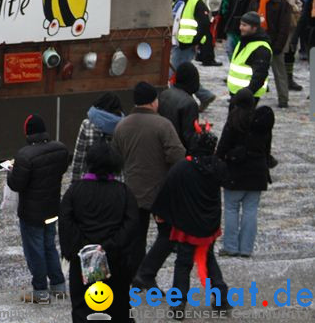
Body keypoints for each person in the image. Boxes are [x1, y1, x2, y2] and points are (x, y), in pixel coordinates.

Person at [112, 82, 185, 287]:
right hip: (160, 192)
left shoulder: (122, 125)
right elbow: (177, 155)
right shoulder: (163, 125)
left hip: (132, 191)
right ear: (154, 101)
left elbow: (115, 158)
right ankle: (147, 273)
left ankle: (137, 275)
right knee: (168, 235)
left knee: (137, 237)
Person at [150, 131, 230, 317]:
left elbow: (167, 191)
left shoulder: (182, 168)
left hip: (187, 225)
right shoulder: (218, 166)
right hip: (209, 224)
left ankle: (178, 305)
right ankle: (221, 298)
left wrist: (159, 212)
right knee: (209, 259)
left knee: (183, 264)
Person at [60, 141, 137, 322]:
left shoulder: (74, 191)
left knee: (83, 309)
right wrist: (110, 247)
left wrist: (82, 248)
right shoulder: (124, 192)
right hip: (115, 262)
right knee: (118, 307)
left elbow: (65, 222)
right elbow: (131, 225)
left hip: (82, 262)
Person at [7, 115, 69, 304]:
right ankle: (58, 286)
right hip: (52, 210)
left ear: (28, 132)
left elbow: (16, 184)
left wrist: (11, 170)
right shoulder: (61, 149)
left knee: (35, 250)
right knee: (49, 246)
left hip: (32, 214)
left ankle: (40, 291)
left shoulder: (25, 155)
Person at [216, 97, 274, 258]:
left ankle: (231, 246)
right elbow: (267, 149)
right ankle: (246, 249)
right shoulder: (262, 123)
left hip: (235, 172)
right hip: (258, 173)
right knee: (251, 211)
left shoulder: (234, 121)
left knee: (231, 209)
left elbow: (222, 147)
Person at [171, 0, 217, 109]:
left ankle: (193, 98)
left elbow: (204, 23)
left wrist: (195, 41)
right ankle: (203, 95)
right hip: (178, 43)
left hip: (185, 44)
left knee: (177, 74)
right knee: (179, 72)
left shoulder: (196, 1)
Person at [248, 0, 292, 107]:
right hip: (256, 42)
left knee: (279, 73)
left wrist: (278, 46)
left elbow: (284, 27)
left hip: (274, 43)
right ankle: (248, 96)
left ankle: (283, 99)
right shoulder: (255, 1)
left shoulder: (282, 3)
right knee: (253, 72)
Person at [70, 92, 124, 182]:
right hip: (116, 181)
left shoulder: (87, 124)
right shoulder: (123, 125)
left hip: (91, 179)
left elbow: (79, 156)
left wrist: (74, 182)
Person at [272, 0, 304, 91]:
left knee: (291, 51)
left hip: (293, 24)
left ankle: (289, 78)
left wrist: (297, 7)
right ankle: (280, 79)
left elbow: (297, 1)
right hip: (281, 26)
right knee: (280, 53)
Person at [228, 11, 273, 101]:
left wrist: (248, 92)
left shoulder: (261, 48)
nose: (241, 28)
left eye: (244, 25)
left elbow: (260, 75)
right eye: (240, 24)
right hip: (237, 92)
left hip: (248, 95)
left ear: (254, 28)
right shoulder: (243, 41)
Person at [158, 61, 200, 149]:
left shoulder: (164, 94)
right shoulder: (189, 104)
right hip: (178, 149)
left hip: (161, 144)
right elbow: (189, 136)